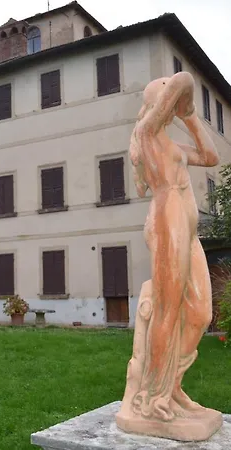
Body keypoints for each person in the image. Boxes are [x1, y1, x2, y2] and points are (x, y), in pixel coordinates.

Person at [127, 71, 219, 421]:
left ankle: (173, 385)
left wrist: (191, 116)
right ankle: (154, 396)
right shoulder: (147, 134)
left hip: (187, 229)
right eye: (165, 94)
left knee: (200, 313)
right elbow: (184, 79)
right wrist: (181, 96)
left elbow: (210, 157)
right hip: (167, 221)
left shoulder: (172, 145)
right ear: (158, 104)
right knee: (167, 309)